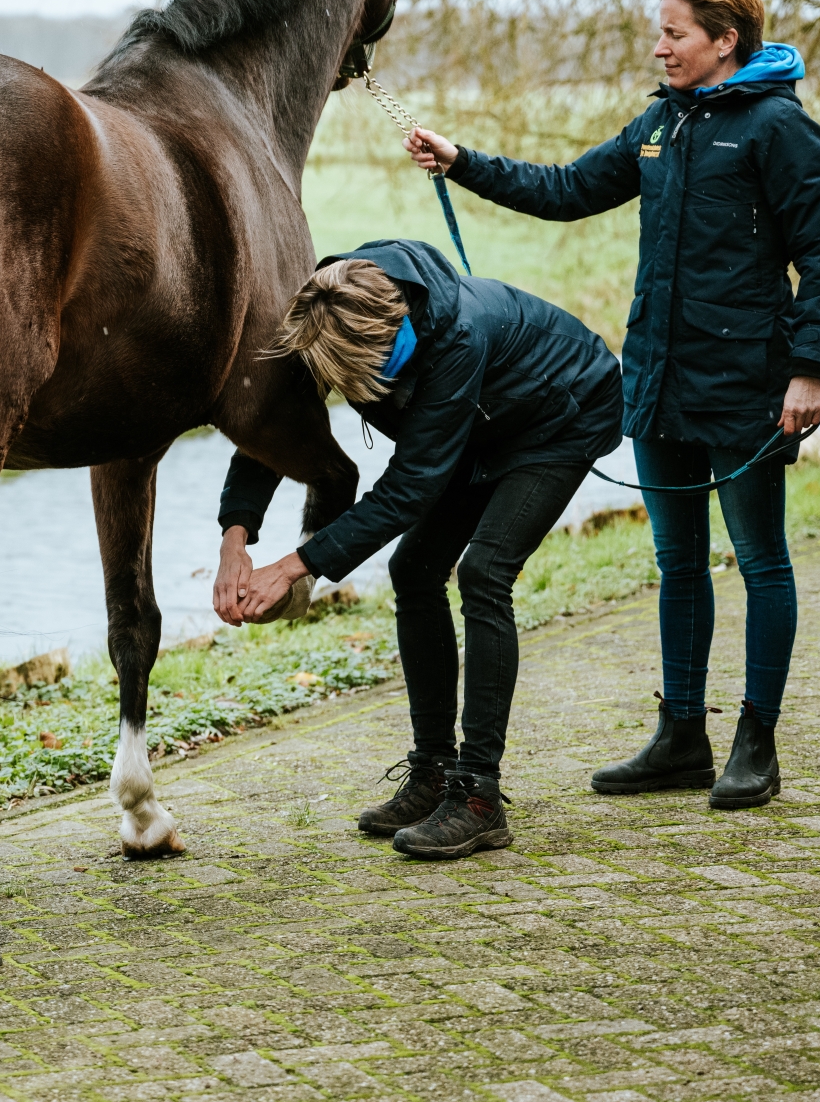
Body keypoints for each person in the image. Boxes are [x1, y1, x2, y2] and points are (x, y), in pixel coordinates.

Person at [403, 0, 820, 810]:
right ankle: (682, 735)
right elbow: (568, 189)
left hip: (747, 386)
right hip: (659, 382)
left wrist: (807, 370)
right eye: (661, 31)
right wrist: (461, 163)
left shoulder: (779, 129)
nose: (660, 47)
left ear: (725, 40)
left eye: (676, 34)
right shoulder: (659, 124)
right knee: (677, 561)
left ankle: (756, 739)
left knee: (761, 559)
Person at [215, 239, 621, 859]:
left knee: (484, 572)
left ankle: (479, 796)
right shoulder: (321, 313)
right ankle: (433, 771)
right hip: (476, 426)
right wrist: (236, 536)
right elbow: (274, 427)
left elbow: (410, 488)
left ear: (393, 333)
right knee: (414, 570)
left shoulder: (458, 338)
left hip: (559, 417)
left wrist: (296, 566)